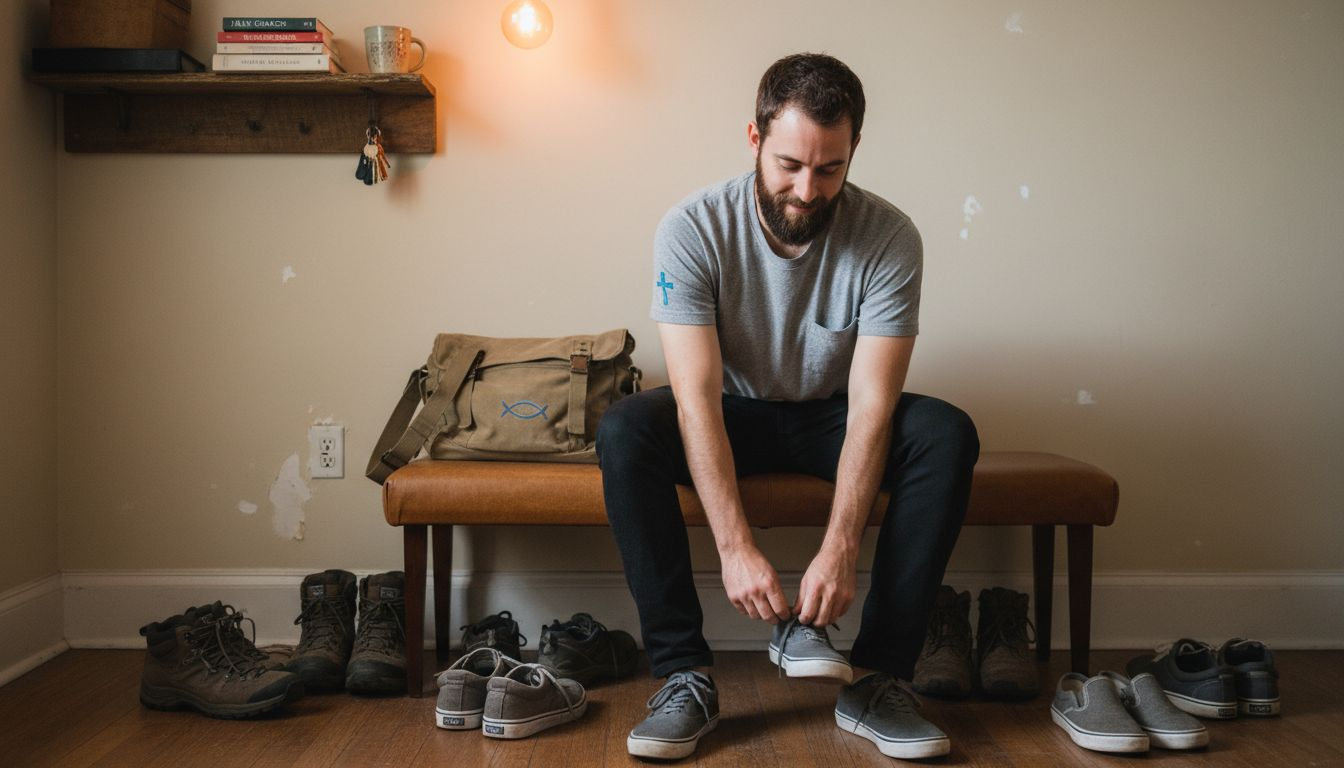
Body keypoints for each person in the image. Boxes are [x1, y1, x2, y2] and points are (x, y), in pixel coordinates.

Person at [596, 52, 979, 761]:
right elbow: (696, 399)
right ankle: (684, 677)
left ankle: (878, 681)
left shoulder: (891, 238)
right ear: (754, 139)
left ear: (853, 150)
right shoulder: (692, 228)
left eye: (829, 168)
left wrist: (840, 551)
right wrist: (736, 550)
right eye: (789, 164)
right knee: (624, 429)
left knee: (945, 432)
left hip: (828, 415)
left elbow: (872, 404)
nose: (807, 188)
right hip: (730, 409)